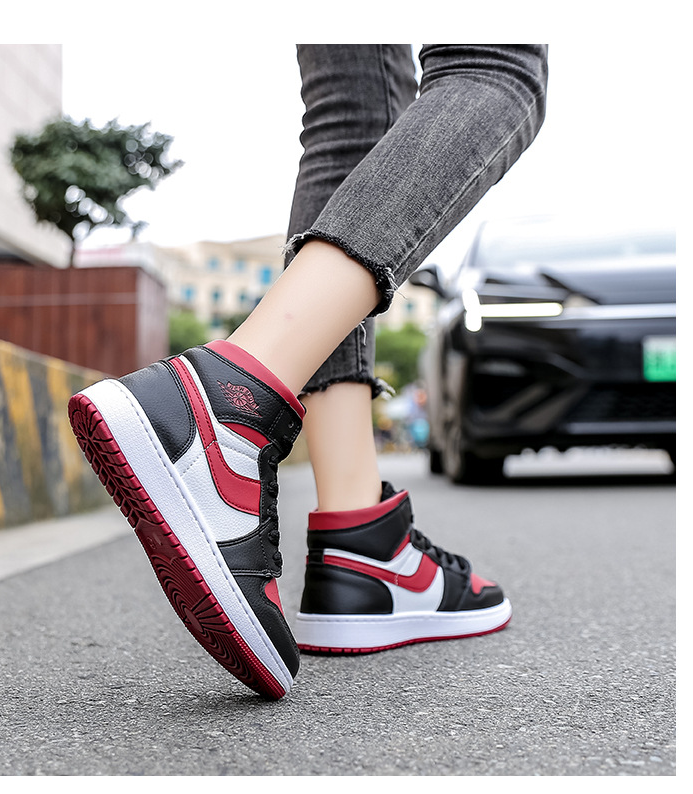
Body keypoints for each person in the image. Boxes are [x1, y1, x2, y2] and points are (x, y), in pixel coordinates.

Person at [68, 44, 548, 699]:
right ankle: (230, 403)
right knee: (494, 64)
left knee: (350, 119)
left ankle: (361, 534)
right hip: (229, 392)